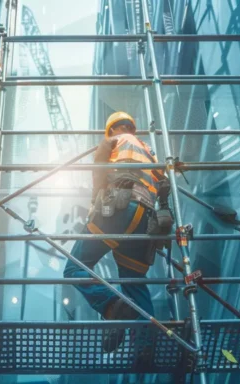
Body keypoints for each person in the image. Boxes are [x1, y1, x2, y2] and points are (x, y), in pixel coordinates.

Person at [63, 111, 173, 352]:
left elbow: (100, 169)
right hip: (145, 219)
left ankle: (114, 307)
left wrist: (96, 201)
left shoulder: (113, 141)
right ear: (132, 128)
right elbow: (164, 187)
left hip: (118, 208)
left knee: (74, 267)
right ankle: (145, 344)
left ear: (113, 129)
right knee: (133, 282)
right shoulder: (148, 150)